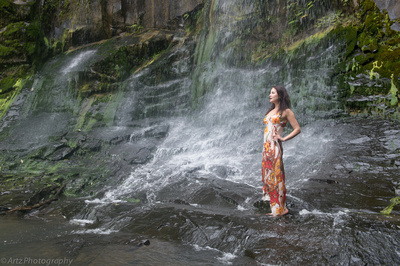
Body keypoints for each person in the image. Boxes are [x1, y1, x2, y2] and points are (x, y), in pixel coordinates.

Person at [262, 85, 301, 216]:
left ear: (280, 95)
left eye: (272, 93)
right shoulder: (271, 110)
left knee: (276, 177)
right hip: (266, 148)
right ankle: (276, 206)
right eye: (270, 92)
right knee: (268, 176)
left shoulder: (286, 111)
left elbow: (297, 129)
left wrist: (283, 138)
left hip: (274, 147)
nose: (270, 95)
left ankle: (280, 209)